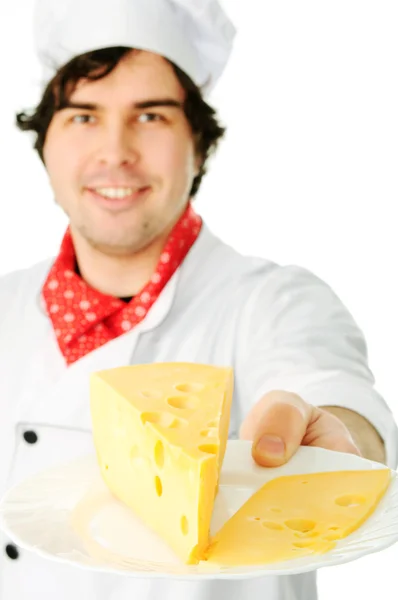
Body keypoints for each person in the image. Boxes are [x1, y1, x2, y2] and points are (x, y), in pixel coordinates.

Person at [0, 0, 396, 598]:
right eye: (83, 117)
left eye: (151, 117)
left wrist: (341, 437)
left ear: (200, 145)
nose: (115, 151)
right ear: (45, 144)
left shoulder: (275, 301)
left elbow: (333, 393)